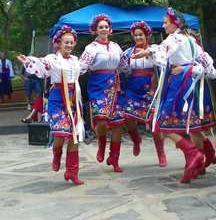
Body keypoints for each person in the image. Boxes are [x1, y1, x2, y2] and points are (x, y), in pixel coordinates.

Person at [131, 7, 216, 183]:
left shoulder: (175, 37)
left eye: (165, 23)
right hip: (194, 85)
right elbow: (211, 69)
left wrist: (148, 51)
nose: (163, 26)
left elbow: (162, 50)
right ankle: (198, 162)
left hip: (180, 84)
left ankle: (193, 153)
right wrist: (192, 68)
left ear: (174, 23)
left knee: (164, 122)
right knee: (188, 124)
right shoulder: (192, 40)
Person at [17, 26, 85, 185]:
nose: (69, 45)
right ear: (58, 44)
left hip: (74, 100)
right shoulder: (53, 59)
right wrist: (28, 61)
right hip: (58, 100)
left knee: (74, 137)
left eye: (71, 42)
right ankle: (57, 153)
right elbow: (41, 64)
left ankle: (72, 172)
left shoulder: (75, 60)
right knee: (60, 133)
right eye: (66, 42)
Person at [79, 14, 128, 173]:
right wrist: (68, 80)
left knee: (119, 122)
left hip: (114, 86)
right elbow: (81, 67)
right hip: (97, 85)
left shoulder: (115, 46)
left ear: (110, 29)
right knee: (101, 120)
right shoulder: (91, 48)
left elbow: (124, 65)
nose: (104, 29)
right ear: (95, 30)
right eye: (101, 27)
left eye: (106, 27)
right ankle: (101, 146)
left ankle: (114, 157)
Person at [120, 21, 167, 167]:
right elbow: (124, 68)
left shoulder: (154, 49)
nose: (138, 37)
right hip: (134, 87)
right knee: (127, 115)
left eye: (141, 34)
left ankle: (161, 153)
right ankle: (136, 140)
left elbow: (162, 59)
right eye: (135, 35)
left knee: (153, 121)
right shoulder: (128, 53)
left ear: (147, 35)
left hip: (150, 87)